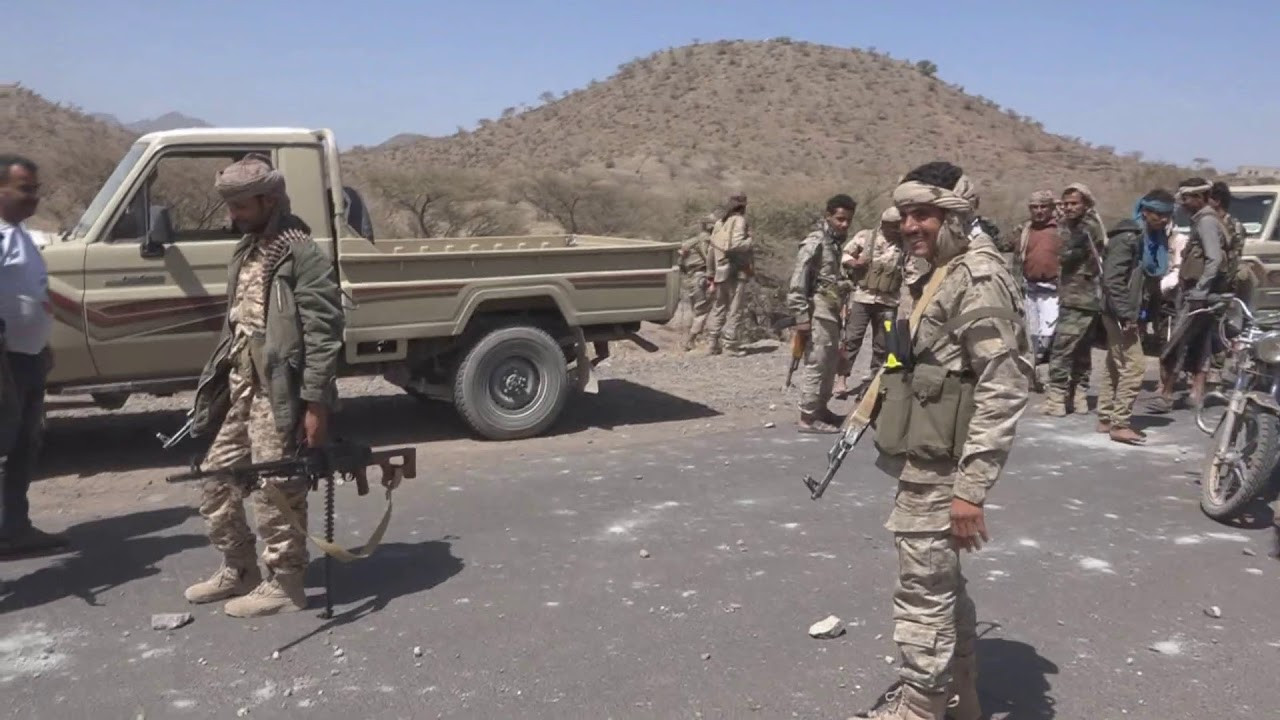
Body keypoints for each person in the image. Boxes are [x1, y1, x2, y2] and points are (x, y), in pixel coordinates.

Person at [853, 162, 1030, 720]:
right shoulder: (939, 270)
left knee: (922, 593)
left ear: (954, 215)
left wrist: (970, 491)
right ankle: (959, 696)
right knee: (940, 584)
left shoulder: (976, 277)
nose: (910, 226)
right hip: (925, 461)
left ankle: (921, 707)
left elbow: (1004, 385)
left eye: (924, 214)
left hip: (943, 472)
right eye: (905, 215)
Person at [184, 154, 344, 617]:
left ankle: (286, 583)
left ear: (269, 201)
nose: (232, 215)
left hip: (279, 392)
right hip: (242, 386)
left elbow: (323, 335)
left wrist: (316, 405)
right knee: (216, 477)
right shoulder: (248, 249)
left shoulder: (302, 254)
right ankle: (240, 569)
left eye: (241, 206)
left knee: (276, 487)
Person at [0, 155, 66, 557]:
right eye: (25, 189)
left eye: (36, 189)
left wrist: (43, 344)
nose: (34, 197)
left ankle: (15, 529)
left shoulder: (19, 233)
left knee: (25, 445)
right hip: (5, 364)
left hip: (28, 358)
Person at [1097, 190, 1175, 444]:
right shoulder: (1128, 237)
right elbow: (1113, 280)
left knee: (1114, 364)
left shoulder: (1154, 239)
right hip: (1119, 312)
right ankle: (1120, 423)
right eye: (1158, 214)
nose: (1163, 219)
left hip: (1131, 311)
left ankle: (1106, 417)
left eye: (1167, 215)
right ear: (1145, 211)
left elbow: (1147, 282)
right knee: (1135, 366)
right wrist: (1127, 315)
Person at [1152, 178, 1227, 412]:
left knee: (1177, 343)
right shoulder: (1204, 221)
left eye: (1186, 198)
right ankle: (1192, 394)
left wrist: (1200, 290)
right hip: (1200, 294)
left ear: (1199, 197)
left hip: (1198, 296)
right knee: (1198, 344)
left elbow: (1214, 259)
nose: (1182, 203)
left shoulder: (1206, 222)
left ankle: (1166, 394)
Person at [786, 194, 856, 433]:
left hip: (831, 310)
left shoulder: (833, 243)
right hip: (817, 311)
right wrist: (801, 317)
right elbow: (798, 281)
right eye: (840, 219)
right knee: (817, 362)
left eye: (848, 220)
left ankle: (820, 408)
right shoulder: (815, 242)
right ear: (828, 216)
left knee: (829, 362)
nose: (844, 224)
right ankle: (807, 417)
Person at [835, 207, 916, 399]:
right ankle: (841, 379)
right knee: (851, 339)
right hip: (863, 298)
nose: (894, 230)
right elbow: (844, 254)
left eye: (897, 226)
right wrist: (855, 263)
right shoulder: (866, 237)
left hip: (888, 302)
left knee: (882, 343)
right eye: (891, 226)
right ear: (883, 224)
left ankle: (873, 382)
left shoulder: (904, 244)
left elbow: (912, 270)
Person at [1041, 183, 1105, 416]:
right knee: (1081, 350)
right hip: (1083, 297)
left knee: (1062, 349)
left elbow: (1067, 256)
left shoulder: (1085, 228)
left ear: (1085, 204)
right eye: (1066, 204)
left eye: (1074, 203)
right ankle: (1079, 397)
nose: (1068, 208)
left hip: (1079, 298)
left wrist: (1062, 228)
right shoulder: (1089, 224)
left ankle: (1057, 398)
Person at [1010, 190, 1061, 376]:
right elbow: (1012, 253)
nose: (1039, 211)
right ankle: (1032, 373)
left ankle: (1047, 372)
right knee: (1030, 334)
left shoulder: (1061, 229)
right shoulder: (1024, 230)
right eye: (1034, 207)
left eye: (1043, 207)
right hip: (1029, 289)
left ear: (1051, 208)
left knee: (1048, 334)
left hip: (1053, 291)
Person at [705, 193, 753, 356]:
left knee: (719, 307)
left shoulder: (720, 223)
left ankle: (712, 343)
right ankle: (730, 345)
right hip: (736, 271)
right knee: (735, 308)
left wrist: (710, 274)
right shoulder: (740, 221)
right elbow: (735, 244)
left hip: (720, 271)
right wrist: (750, 241)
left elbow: (711, 250)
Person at [679, 213, 717, 351]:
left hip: (689, 277)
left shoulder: (689, 242)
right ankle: (690, 340)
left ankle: (686, 340)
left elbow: (680, 261)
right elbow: (709, 259)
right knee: (702, 310)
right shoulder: (707, 241)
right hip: (702, 276)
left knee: (692, 310)